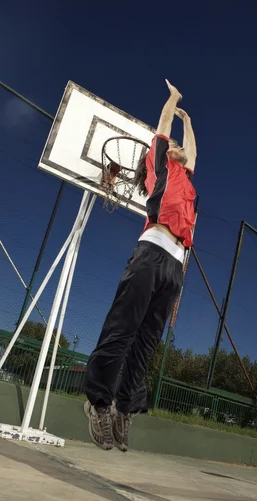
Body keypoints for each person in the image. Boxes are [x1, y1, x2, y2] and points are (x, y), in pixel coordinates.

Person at [84, 79, 197, 453]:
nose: (179, 148)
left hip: (175, 265)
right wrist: (173, 101)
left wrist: (190, 122)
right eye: (175, 147)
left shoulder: (188, 181)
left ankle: (124, 409)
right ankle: (97, 402)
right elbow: (162, 129)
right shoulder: (158, 167)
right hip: (150, 252)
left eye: (180, 148)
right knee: (122, 329)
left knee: (147, 342)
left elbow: (193, 153)